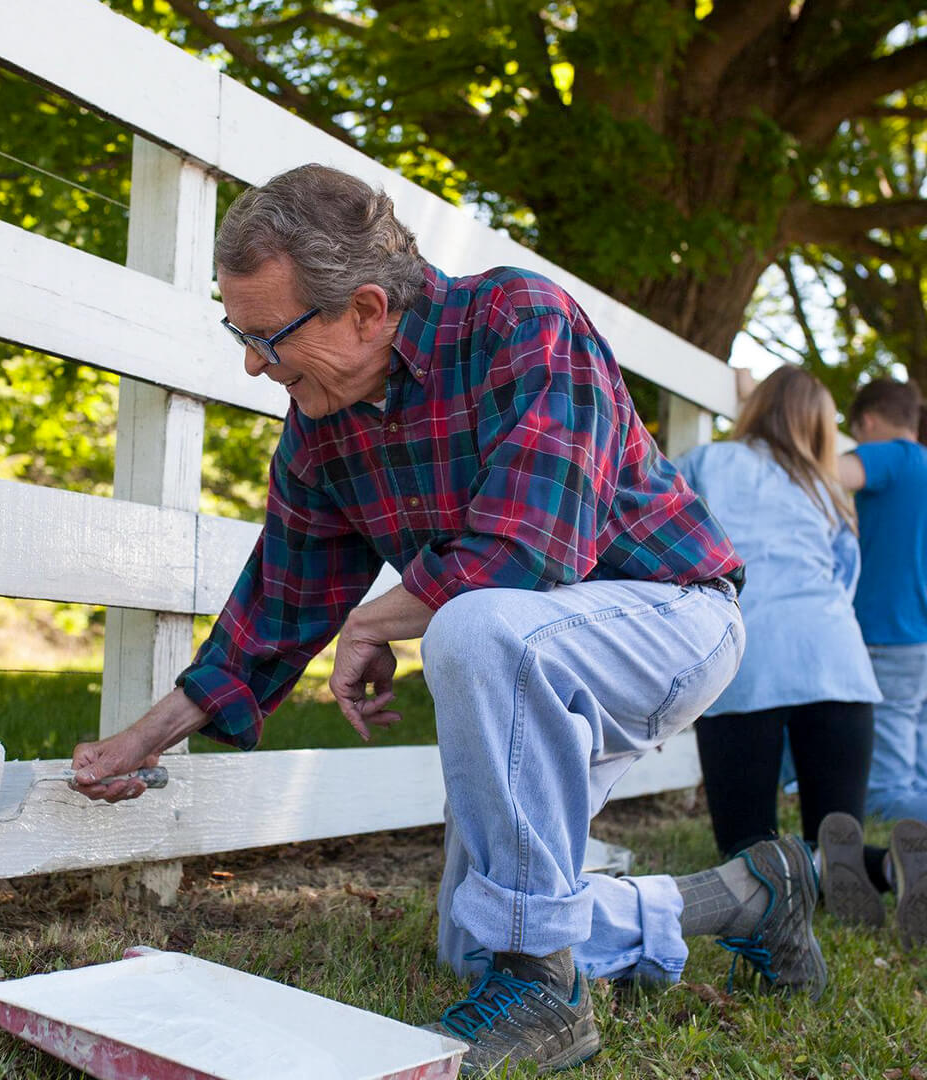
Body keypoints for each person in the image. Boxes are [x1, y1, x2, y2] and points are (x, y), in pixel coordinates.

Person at [68, 165, 824, 1075]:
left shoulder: (522, 322)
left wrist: (377, 622)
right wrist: (144, 740)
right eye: (240, 331)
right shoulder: (323, 423)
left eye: (268, 336)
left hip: (670, 616)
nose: (252, 362)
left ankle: (550, 1003)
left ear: (368, 308)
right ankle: (750, 898)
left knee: (469, 628)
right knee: (484, 933)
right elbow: (279, 598)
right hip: (532, 646)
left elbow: (528, 546)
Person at [675, 368, 894, 928]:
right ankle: (889, 869)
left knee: (747, 851)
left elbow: (670, 534)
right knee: (835, 835)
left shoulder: (709, 462)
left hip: (744, 660)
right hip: (838, 662)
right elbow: (847, 574)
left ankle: (788, 878)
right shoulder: (826, 488)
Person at [836, 378, 927, 945]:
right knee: (917, 775)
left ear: (869, 420)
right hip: (918, 639)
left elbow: (828, 471)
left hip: (888, 637)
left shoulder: (889, 457)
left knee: (886, 791)